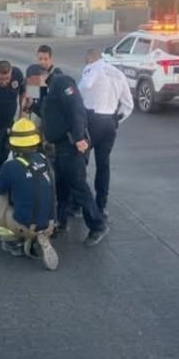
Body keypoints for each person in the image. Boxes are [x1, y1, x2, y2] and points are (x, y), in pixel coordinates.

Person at [28, 64, 109, 247]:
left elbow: (77, 109)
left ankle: (97, 225)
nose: (30, 87)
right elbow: (50, 114)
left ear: (36, 77)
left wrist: (79, 137)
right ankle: (61, 222)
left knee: (78, 186)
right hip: (58, 146)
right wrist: (33, 105)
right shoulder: (48, 89)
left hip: (71, 144)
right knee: (61, 187)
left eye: (30, 82)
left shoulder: (61, 82)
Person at [0, 118, 59, 271]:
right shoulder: (45, 160)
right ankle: (40, 235)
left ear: (13, 144)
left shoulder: (11, 166)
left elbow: (0, 190)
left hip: (25, 224)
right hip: (50, 223)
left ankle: (13, 241)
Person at [78, 48, 134, 218]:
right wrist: (116, 120)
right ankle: (101, 205)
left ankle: (77, 203)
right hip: (110, 122)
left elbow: (84, 86)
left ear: (89, 59)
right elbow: (128, 105)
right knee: (104, 165)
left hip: (92, 120)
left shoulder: (93, 67)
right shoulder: (118, 73)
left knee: (80, 161)